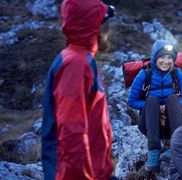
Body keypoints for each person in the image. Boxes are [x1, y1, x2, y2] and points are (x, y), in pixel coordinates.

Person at [41, 0, 115, 179]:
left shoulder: (81, 59)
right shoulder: (75, 65)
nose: (108, 29)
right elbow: (71, 133)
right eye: (104, 22)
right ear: (94, 26)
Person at [128, 40, 182, 172]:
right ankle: (154, 152)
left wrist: (167, 107)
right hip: (149, 125)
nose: (166, 61)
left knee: (173, 98)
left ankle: (176, 147)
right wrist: (156, 107)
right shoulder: (145, 74)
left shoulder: (176, 73)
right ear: (155, 58)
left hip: (170, 124)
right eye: (162, 57)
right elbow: (132, 101)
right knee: (151, 100)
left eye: (169, 58)